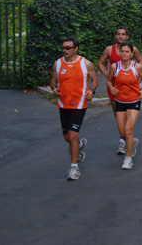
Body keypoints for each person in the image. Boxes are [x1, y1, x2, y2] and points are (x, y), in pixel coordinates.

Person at [51, 37, 98, 181]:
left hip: (79, 104)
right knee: (67, 138)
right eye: (63, 48)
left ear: (75, 48)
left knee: (72, 136)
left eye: (67, 48)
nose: (64, 50)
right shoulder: (58, 64)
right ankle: (80, 144)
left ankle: (74, 168)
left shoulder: (85, 63)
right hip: (63, 103)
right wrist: (54, 89)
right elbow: (53, 81)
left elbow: (94, 79)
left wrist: (92, 90)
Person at [97, 26, 142, 155]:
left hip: (129, 89)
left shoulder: (133, 50)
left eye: (123, 34)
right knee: (118, 116)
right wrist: (107, 75)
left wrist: (136, 74)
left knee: (129, 120)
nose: (120, 36)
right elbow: (100, 63)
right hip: (114, 88)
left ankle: (126, 141)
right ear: (115, 36)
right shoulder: (109, 49)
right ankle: (125, 139)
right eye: (118, 34)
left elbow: (140, 61)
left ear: (127, 36)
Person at [106, 41, 142, 170]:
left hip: (134, 101)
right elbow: (108, 81)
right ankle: (132, 142)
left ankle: (128, 159)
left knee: (128, 131)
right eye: (122, 51)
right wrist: (112, 88)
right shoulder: (115, 67)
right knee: (123, 133)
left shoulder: (137, 67)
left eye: (127, 52)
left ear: (131, 54)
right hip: (120, 101)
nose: (124, 54)